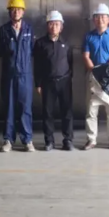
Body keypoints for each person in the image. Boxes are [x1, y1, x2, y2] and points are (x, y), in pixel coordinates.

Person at [82, 3, 109, 151]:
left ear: (108, 19)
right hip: (94, 76)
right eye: (97, 17)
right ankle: (91, 140)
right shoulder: (89, 36)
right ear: (94, 19)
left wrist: (105, 70)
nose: (100, 19)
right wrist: (95, 71)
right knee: (91, 110)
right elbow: (86, 56)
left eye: (103, 17)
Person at [0, 0, 35, 153]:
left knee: (25, 108)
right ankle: (8, 140)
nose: (16, 12)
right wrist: (8, 48)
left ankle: (27, 140)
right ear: (9, 12)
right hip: (9, 75)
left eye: (18, 9)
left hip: (25, 75)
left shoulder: (29, 30)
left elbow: (33, 51)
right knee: (9, 108)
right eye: (13, 10)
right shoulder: (3, 30)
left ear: (23, 12)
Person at [33, 10, 74, 151]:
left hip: (64, 82)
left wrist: (69, 78)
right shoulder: (40, 43)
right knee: (48, 113)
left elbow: (70, 62)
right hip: (47, 82)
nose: (54, 27)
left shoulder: (66, 43)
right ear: (47, 26)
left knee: (67, 112)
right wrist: (38, 83)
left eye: (57, 24)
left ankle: (67, 140)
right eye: (51, 24)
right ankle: (49, 141)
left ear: (61, 26)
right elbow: (37, 65)